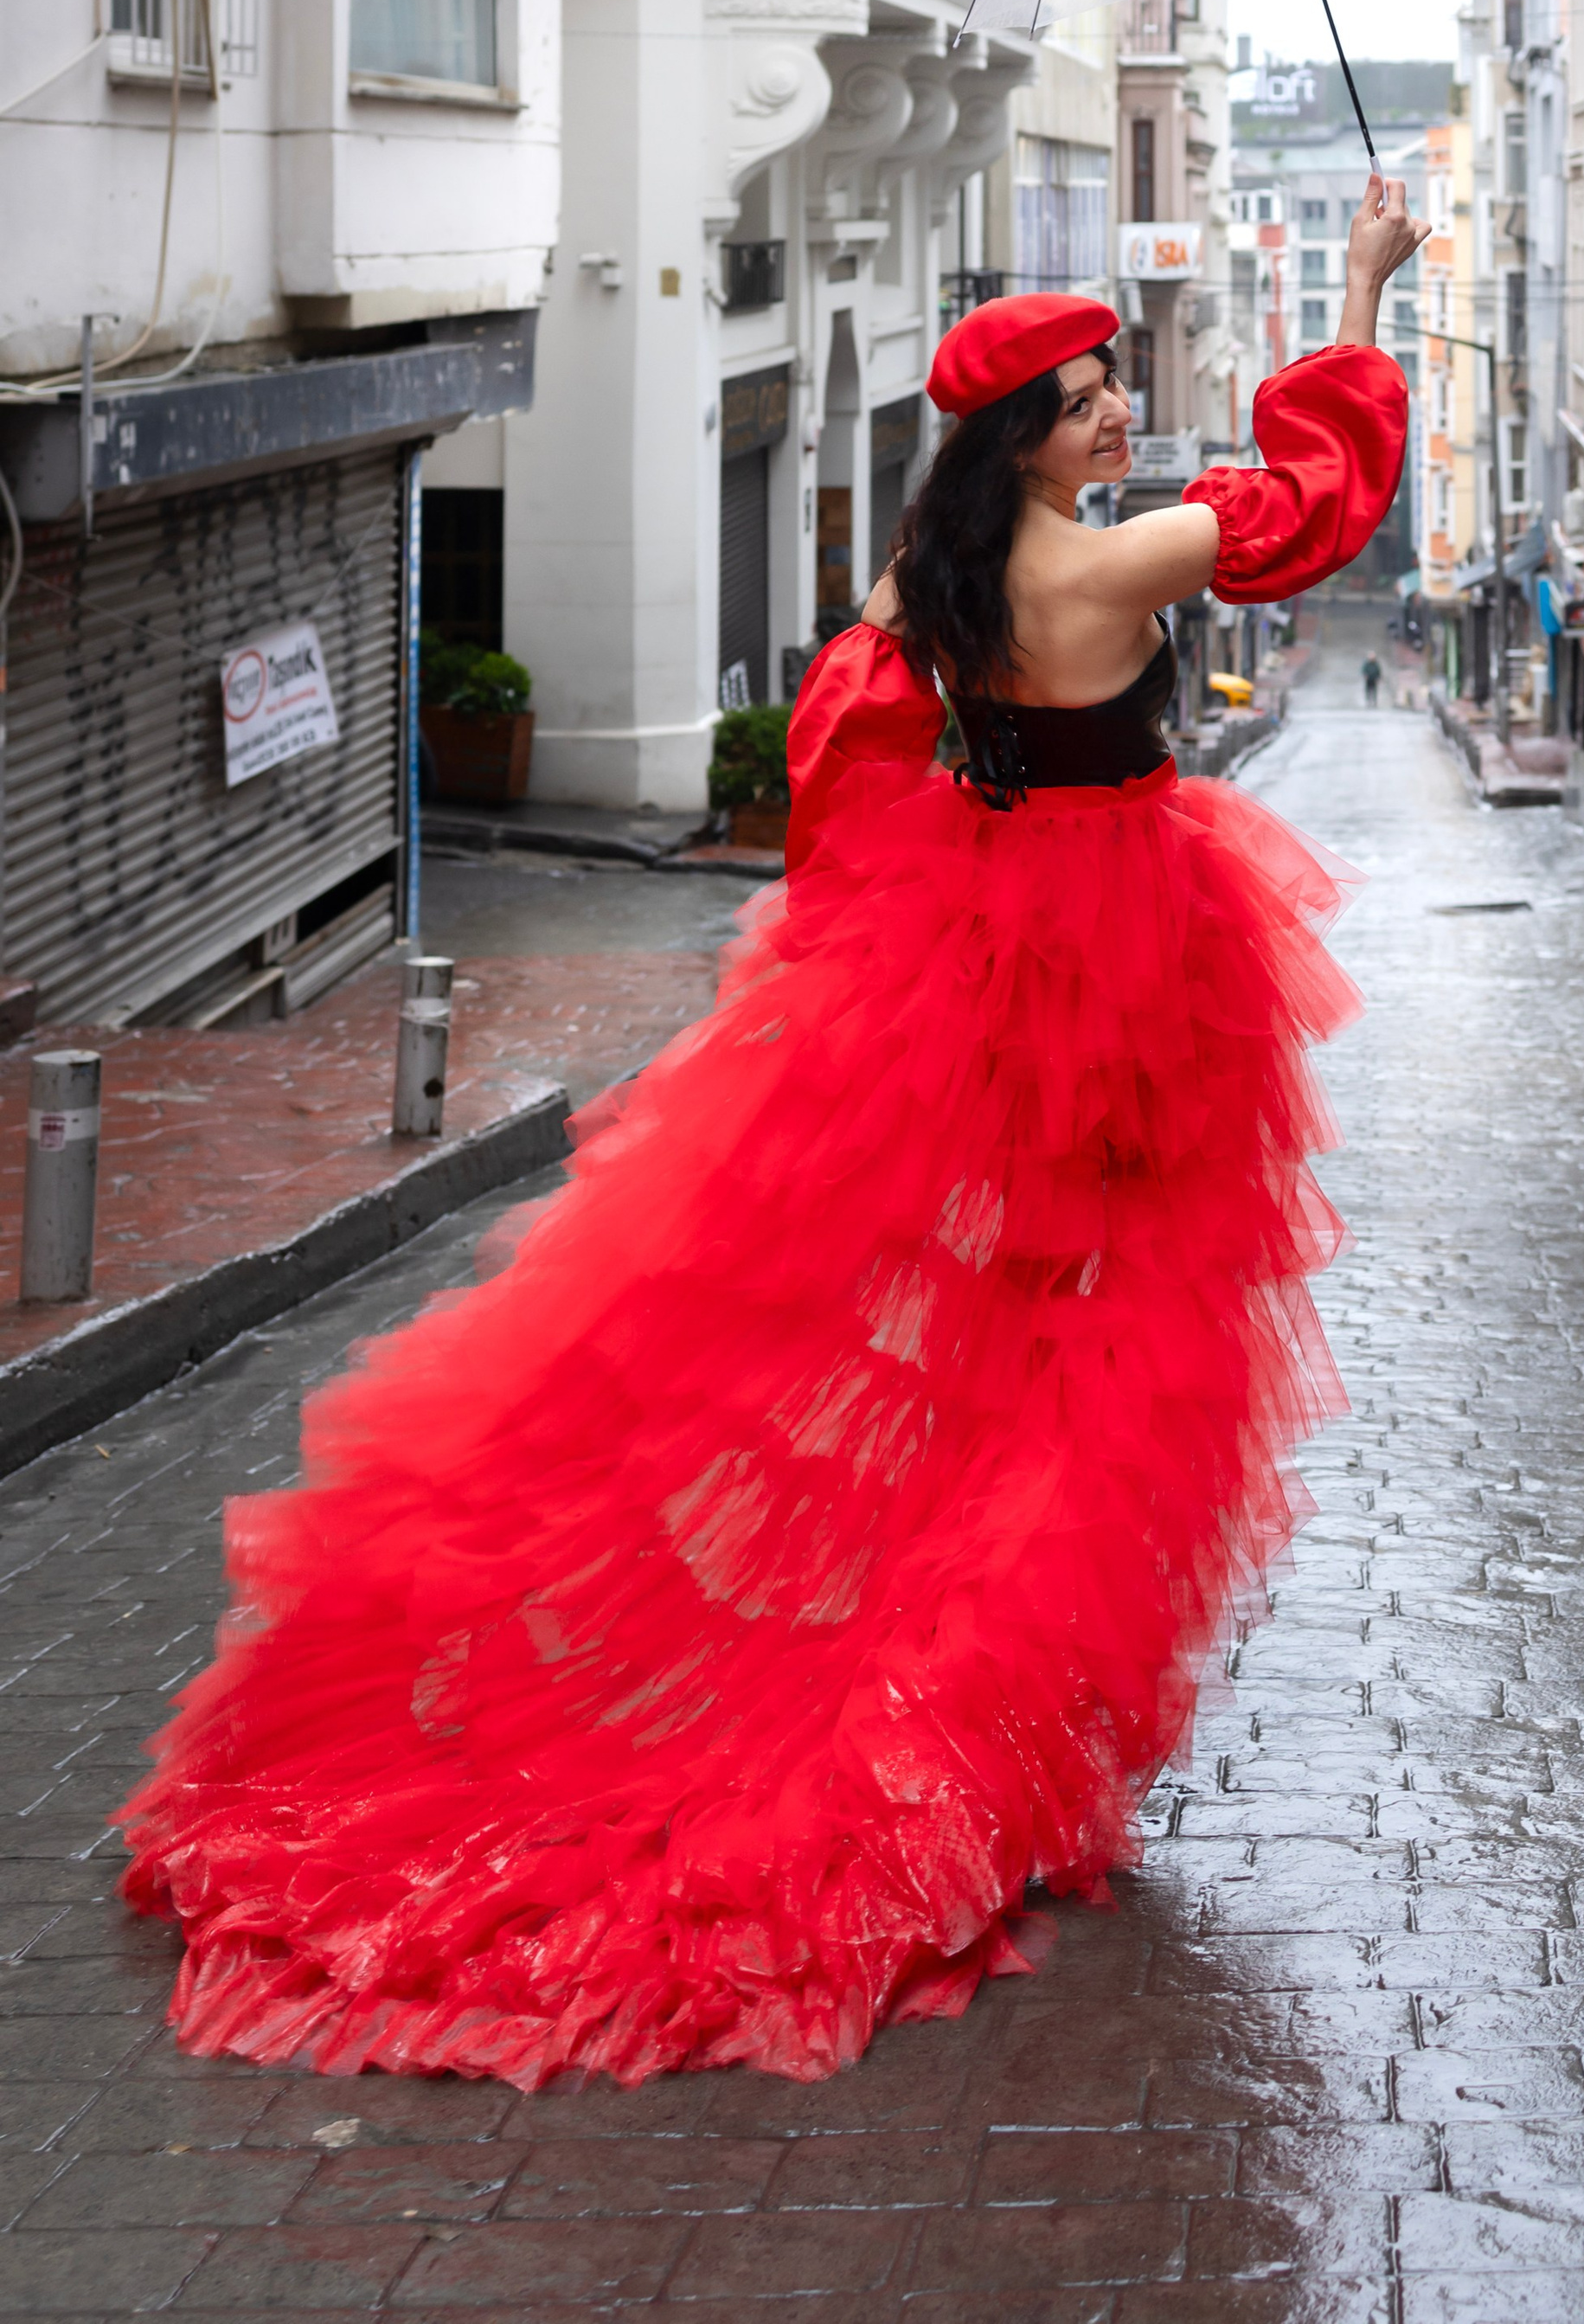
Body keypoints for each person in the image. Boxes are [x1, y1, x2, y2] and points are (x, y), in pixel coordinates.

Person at [117, 178, 1427, 2090]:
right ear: (1022, 438)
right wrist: (1366, 289)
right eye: (1085, 403)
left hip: (988, 958)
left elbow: (846, 729)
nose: (1118, 417)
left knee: (1003, 1322)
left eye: (1112, 391)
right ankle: (972, 1711)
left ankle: (972, 1671)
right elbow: (1316, 506)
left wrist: (863, 916)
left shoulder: (936, 573)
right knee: (1108, 1340)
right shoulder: (1105, 570)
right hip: (1131, 970)